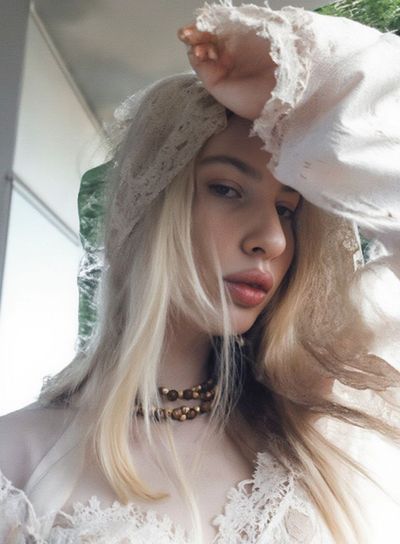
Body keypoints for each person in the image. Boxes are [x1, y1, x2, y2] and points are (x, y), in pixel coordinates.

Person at [1, 2, 400, 543]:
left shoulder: (323, 427)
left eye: (287, 209)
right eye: (227, 189)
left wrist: (308, 88)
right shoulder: (18, 466)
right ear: (147, 208)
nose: (273, 238)